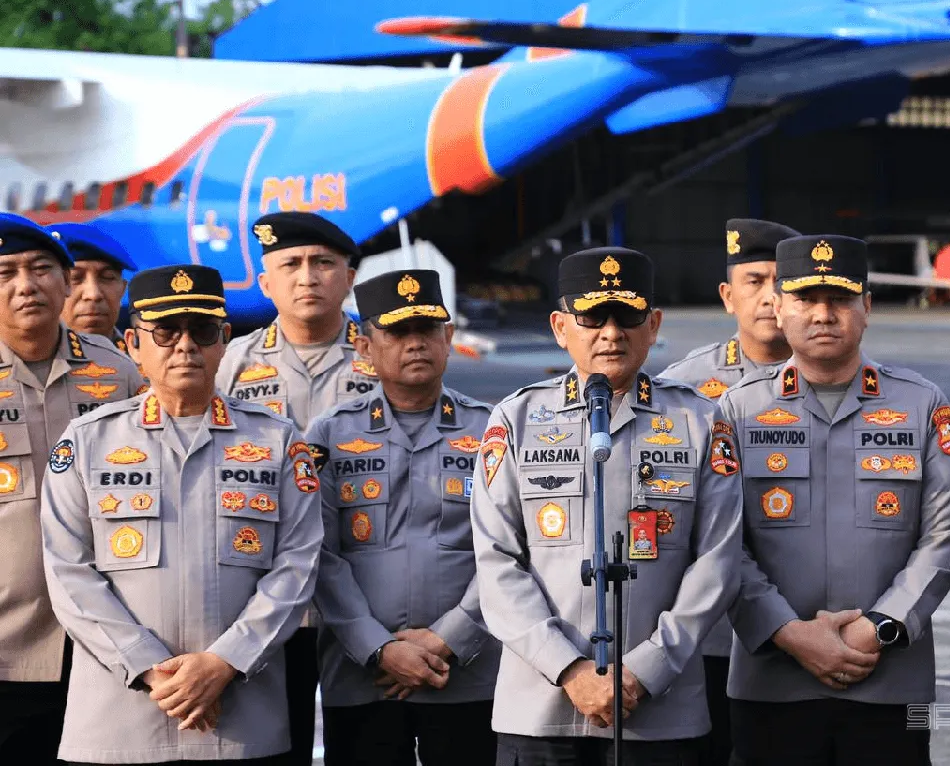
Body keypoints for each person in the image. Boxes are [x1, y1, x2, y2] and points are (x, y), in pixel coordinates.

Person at [470, 246, 744, 766]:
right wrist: (570, 670)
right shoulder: (515, 419)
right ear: (560, 327)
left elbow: (718, 561)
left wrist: (647, 669)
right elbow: (496, 560)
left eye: (628, 316)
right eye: (593, 317)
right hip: (541, 708)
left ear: (653, 325)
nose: (611, 333)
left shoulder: (701, 422)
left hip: (660, 711)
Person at [40, 263, 323, 764]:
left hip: (241, 717)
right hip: (118, 722)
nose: (186, 345)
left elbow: (298, 564)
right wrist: (151, 669)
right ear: (133, 344)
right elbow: (68, 571)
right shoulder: (86, 441)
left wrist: (225, 661)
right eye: (166, 331)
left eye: (203, 330)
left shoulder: (277, 440)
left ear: (224, 341)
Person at [720, 234, 950, 766]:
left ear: (867, 307)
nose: (823, 314)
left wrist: (880, 627)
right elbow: (721, 542)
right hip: (771, 683)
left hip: (893, 682)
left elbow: (947, 535)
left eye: (839, 299)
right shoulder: (737, 411)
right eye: (806, 299)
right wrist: (789, 633)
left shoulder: (922, 404)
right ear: (779, 308)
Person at [307, 269, 499, 766]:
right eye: (397, 332)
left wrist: (448, 639)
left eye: (427, 329)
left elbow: (507, 551)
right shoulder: (329, 434)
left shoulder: (492, 431)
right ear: (365, 348)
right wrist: (379, 648)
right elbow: (318, 554)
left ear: (448, 338)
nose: (415, 343)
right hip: (363, 675)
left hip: (467, 672)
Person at [216, 211, 377, 764]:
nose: (307, 277)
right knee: (272, 746)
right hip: (266, 595)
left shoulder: (383, 354)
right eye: (291, 265)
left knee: (366, 746)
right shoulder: (231, 365)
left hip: (363, 592)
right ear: (266, 283)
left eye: (323, 263)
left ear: (349, 278)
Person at [0, 213, 145, 765]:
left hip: (102, 640)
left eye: (41, 269)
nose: (25, 286)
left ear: (65, 282)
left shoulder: (120, 373)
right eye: (6, 273)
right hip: (7, 643)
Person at [657, 218, 798, 766]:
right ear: (727, 295)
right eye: (754, 281)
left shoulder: (833, 377)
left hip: (811, 622)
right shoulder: (683, 388)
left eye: (782, 283)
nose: (769, 297)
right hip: (713, 634)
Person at [52, 222, 137, 354]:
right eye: (75, 278)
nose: (93, 294)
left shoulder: (145, 362)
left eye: (107, 277)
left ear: (122, 289)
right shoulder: (22, 364)